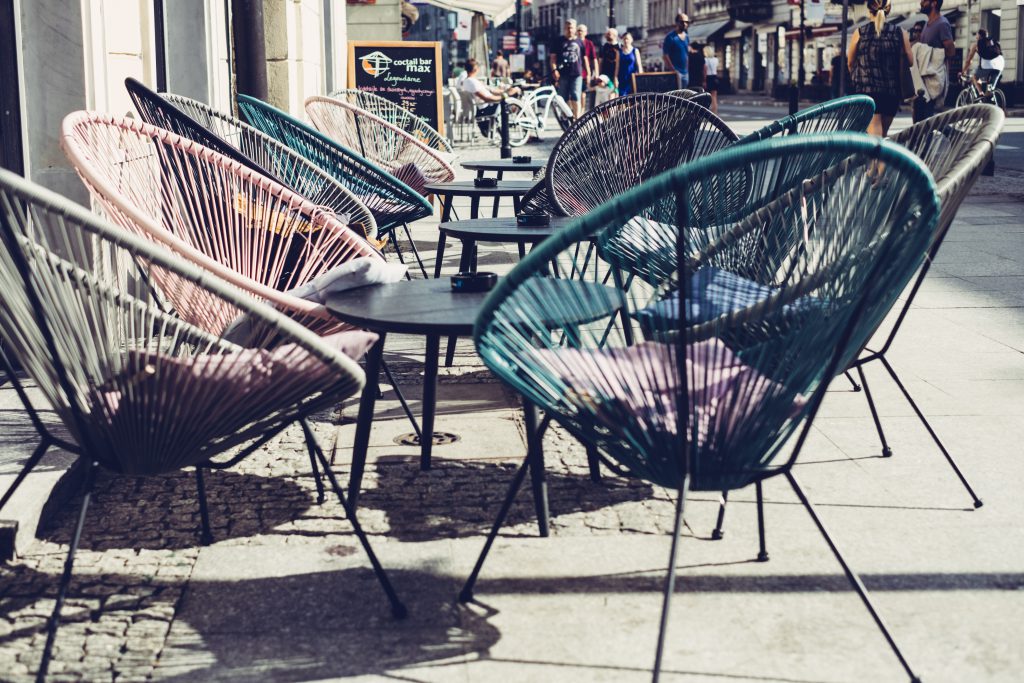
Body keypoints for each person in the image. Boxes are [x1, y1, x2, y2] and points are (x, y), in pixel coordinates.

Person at [848, 0, 914, 137]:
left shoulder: (860, 32)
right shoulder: (900, 32)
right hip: (892, 92)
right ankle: (879, 159)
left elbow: (850, 62)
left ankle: (878, 159)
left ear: (868, 10)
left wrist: (857, 77)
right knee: (882, 134)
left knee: (875, 134)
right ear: (888, 10)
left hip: (868, 91)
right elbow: (910, 61)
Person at [912, 0, 955, 122]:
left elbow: (951, 51)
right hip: (922, 79)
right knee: (919, 118)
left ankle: (952, 134)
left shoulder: (942, 24)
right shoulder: (927, 24)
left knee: (926, 119)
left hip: (932, 78)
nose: (921, 2)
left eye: (924, 1)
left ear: (934, 3)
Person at [461, 58, 521, 136]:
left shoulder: (468, 81)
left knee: (512, 97)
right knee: (512, 101)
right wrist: (505, 96)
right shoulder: (472, 82)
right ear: (476, 69)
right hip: (486, 108)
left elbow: (488, 93)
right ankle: (513, 131)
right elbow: (487, 98)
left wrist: (502, 92)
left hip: (484, 107)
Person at [551, 18, 585, 119]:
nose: (570, 30)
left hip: (576, 73)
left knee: (576, 95)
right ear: (564, 28)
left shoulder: (579, 41)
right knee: (563, 96)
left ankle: (577, 118)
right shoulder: (558, 41)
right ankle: (566, 117)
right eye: (568, 28)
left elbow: (584, 58)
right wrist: (555, 70)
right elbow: (553, 58)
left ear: (575, 29)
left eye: (572, 28)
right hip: (563, 73)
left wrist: (587, 72)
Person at [963, 29, 1005, 98]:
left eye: (976, 34)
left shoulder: (976, 45)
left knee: (974, 76)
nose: (976, 36)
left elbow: (969, 61)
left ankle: (980, 93)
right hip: (1000, 64)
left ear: (979, 35)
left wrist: (963, 71)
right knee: (990, 90)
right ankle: (990, 98)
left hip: (988, 65)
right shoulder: (992, 42)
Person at [662, 13, 692, 88]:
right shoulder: (670, 37)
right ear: (677, 22)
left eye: (687, 22)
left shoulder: (687, 37)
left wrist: (687, 69)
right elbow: (665, 55)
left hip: (685, 73)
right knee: (676, 96)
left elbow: (687, 54)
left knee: (685, 96)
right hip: (675, 72)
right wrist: (673, 70)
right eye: (682, 22)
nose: (685, 24)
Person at [577, 23, 599, 110]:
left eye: (581, 31)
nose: (580, 32)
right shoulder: (574, 42)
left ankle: (581, 110)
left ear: (585, 32)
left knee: (583, 93)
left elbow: (594, 59)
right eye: (578, 30)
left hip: (584, 72)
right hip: (575, 71)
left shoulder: (589, 43)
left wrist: (596, 73)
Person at [600, 27, 621, 98]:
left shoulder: (619, 47)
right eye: (607, 34)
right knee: (607, 92)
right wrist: (599, 73)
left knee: (616, 91)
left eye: (609, 34)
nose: (606, 35)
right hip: (605, 73)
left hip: (616, 73)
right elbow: (600, 61)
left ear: (615, 35)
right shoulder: (604, 46)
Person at [704, 46, 720, 114]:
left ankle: (707, 112)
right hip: (715, 77)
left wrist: (704, 80)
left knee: (706, 96)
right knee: (714, 96)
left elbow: (705, 70)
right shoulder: (716, 59)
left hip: (708, 77)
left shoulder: (705, 60)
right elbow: (716, 68)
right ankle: (715, 112)